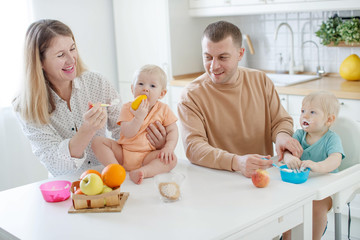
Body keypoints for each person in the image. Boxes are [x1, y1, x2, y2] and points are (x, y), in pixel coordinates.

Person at [13, 19, 166, 177]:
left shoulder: (97, 82)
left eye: (72, 49)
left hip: (108, 176)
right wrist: (87, 131)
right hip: (68, 185)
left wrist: (155, 143)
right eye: (60, 55)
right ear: (40, 63)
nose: (72, 59)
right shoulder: (25, 106)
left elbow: (122, 132)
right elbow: (54, 163)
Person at [177, 20, 303, 178]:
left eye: (223, 57)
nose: (214, 66)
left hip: (262, 178)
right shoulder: (191, 95)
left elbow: (280, 121)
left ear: (240, 54)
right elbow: (194, 148)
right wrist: (236, 162)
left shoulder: (260, 80)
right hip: (215, 180)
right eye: (208, 57)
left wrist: (282, 135)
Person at [92, 64, 178, 184]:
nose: (145, 89)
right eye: (140, 84)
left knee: (172, 159)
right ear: (132, 89)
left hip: (147, 156)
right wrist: (138, 117)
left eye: (152, 86)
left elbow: (173, 131)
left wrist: (168, 148)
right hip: (123, 152)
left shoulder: (164, 109)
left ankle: (144, 171)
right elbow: (127, 133)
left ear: (162, 94)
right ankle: (115, 168)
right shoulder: (127, 108)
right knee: (97, 141)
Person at [282, 91, 345, 240]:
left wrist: (318, 166)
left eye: (312, 112)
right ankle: (287, 236)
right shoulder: (298, 135)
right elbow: (285, 151)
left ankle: (314, 236)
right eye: (303, 111)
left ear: (329, 119)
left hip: (325, 190)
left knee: (316, 206)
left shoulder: (331, 139)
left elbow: (335, 160)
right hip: (300, 186)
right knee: (286, 205)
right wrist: (288, 157)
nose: (304, 116)